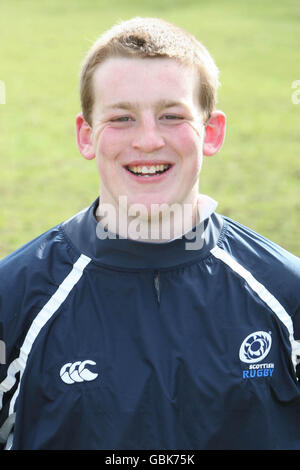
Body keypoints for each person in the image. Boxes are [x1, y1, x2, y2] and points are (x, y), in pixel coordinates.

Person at [0, 16, 300, 451]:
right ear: (86, 137)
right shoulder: (16, 298)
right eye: (121, 118)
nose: (147, 140)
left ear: (211, 133)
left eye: (171, 115)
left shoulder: (286, 294)